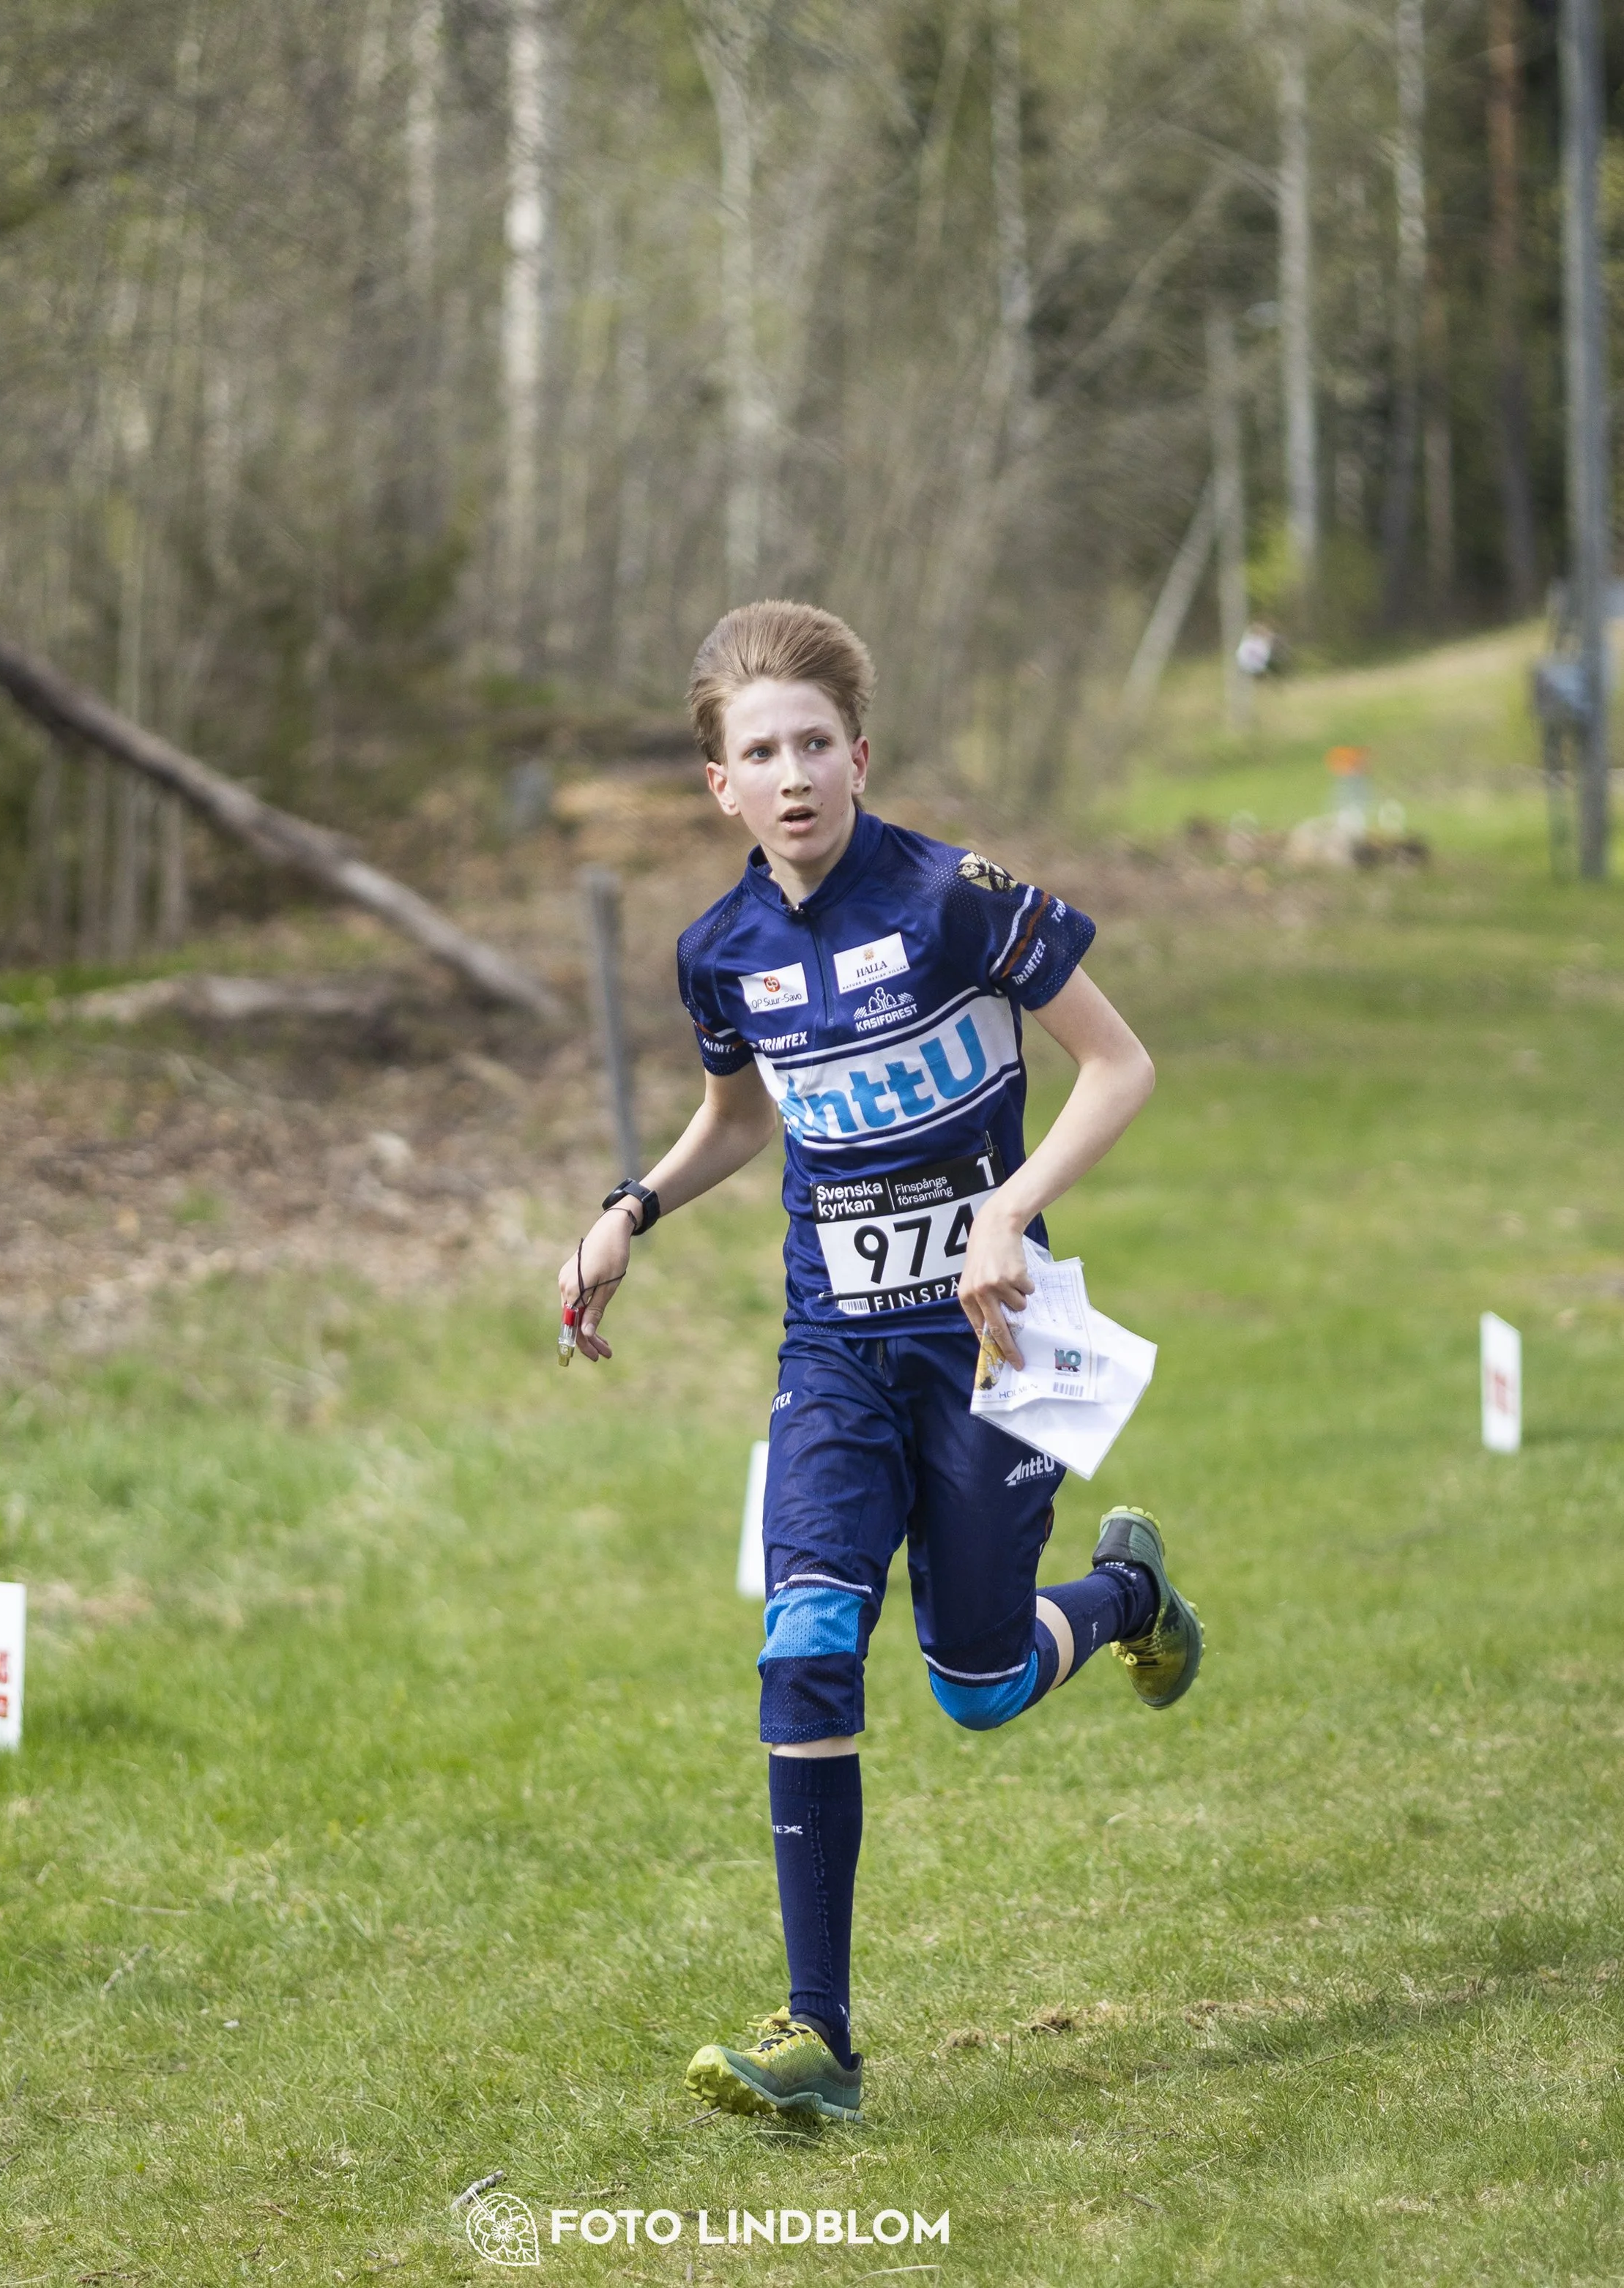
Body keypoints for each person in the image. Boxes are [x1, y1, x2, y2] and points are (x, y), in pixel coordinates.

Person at [556, 600, 1201, 2123]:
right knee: (802, 1638)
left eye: (813, 745)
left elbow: (1120, 1063)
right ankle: (819, 2039)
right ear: (717, 783)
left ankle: (1126, 1594)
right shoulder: (716, 950)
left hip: (988, 1339)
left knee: (976, 1687)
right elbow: (739, 1117)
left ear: (860, 753)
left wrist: (1010, 1207)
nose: (791, 775)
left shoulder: (954, 898)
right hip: (832, 1351)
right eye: (757, 752)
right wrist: (627, 1211)